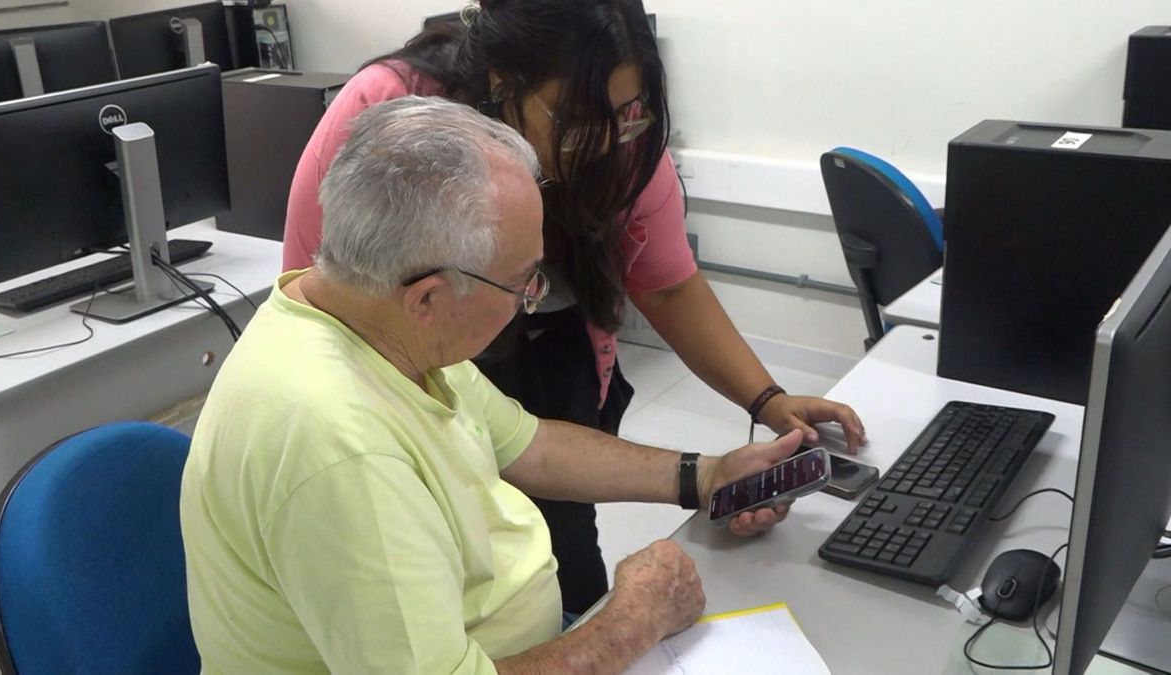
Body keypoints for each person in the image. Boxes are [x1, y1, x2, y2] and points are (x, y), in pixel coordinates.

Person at [282, 0, 866, 615]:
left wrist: (730, 447)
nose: (613, 141)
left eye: (630, 112)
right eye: (586, 118)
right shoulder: (393, 125)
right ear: (504, 84)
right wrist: (616, 632)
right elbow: (326, 297)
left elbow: (530, 444)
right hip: (390, 386)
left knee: (562, 575)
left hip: (476, 374)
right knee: (462, 576)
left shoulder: (619, 146)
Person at [183, 96, 803, 674]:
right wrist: (628, 623)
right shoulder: (341, 445)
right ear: (428, 296)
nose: (530, 300)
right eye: (522, 283)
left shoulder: (369, 309)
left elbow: (528, 444)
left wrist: (705, 475)